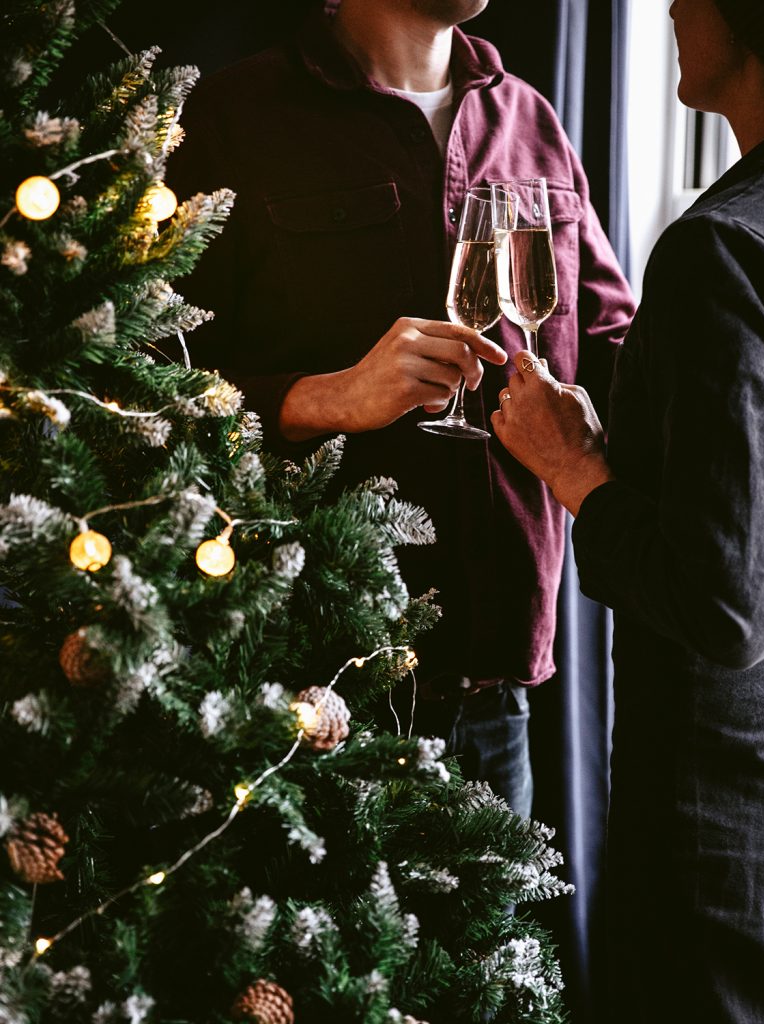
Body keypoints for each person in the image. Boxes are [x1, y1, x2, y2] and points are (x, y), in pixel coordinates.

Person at [168, 0, 634, 819]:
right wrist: (322, 398)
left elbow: (608, 343)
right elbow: (145, 372)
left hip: (495, 682)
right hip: (309, 686)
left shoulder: (529, 117)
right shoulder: (235, 114)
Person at [492, 0, 764, 1018]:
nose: (676, 8)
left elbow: (728, 605)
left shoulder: (728, 247)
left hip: (728, 816)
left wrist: (576, 469)